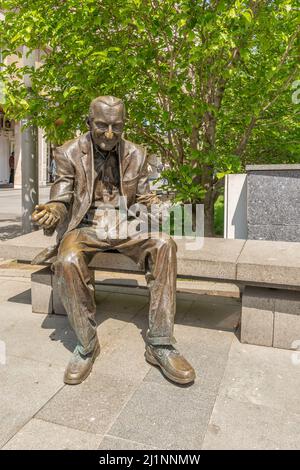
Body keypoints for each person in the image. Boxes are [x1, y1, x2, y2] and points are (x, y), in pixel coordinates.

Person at [32, 96, 195, 386]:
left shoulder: (137, 153)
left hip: (127, 222)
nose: (109, 134)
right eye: (102, 126)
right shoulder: (68, 152)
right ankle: (86, 345)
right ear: (88, 122)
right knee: (67, 260)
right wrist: (52, 212)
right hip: (86, 226)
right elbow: (61, 197)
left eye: (116, 126)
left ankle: (160, 344)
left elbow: (144, 197)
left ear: (124, 124)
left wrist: (158, 208)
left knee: (164, 244)